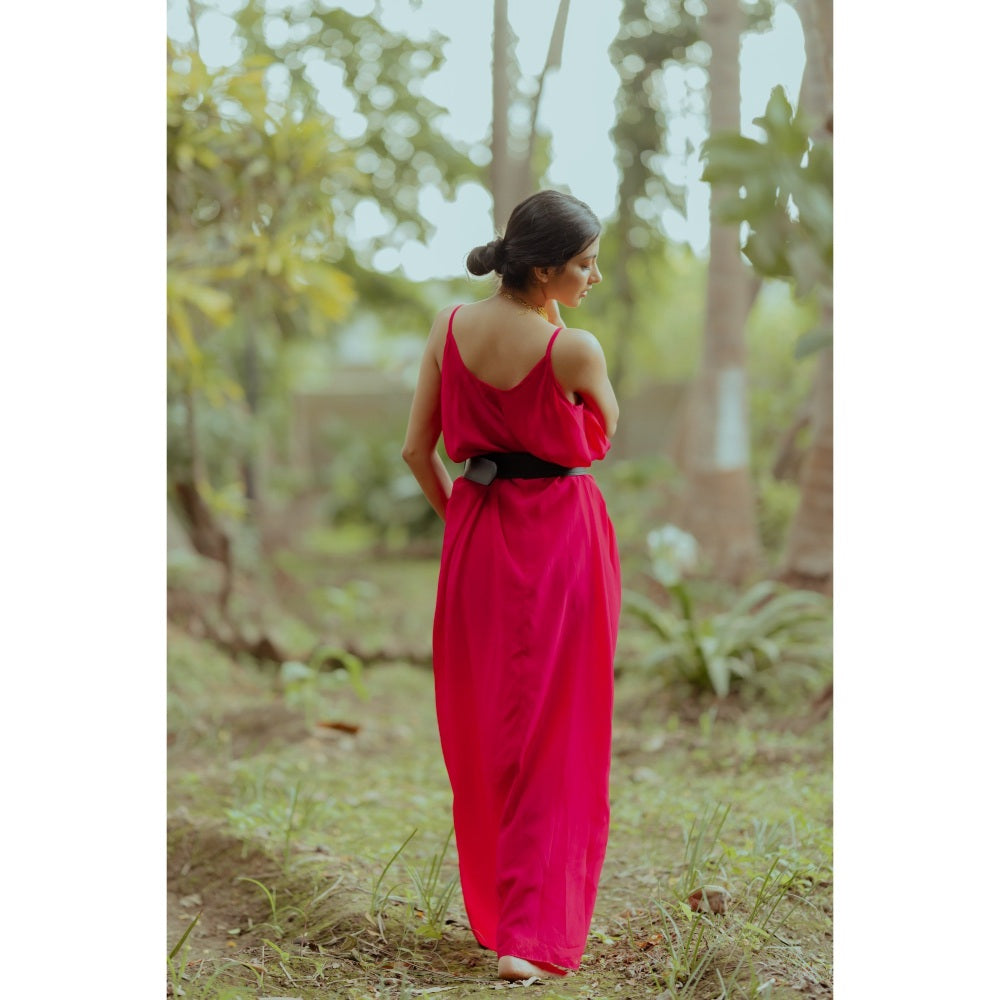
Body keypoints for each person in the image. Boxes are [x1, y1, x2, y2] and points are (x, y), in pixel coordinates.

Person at [401, 189, 621, 983]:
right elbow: (604, 428)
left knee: (489, 723)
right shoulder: (575, 350)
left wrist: (462, 522)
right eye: (585, 264)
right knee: (560, 725)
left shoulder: (447, 326)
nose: (594, 277)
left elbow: (417, 451)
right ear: (545, 269)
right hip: (562, 541)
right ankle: (529, 935)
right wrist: (554, 329)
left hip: (478, 536)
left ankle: (505, 916)